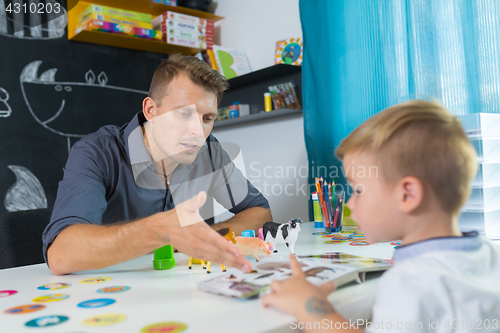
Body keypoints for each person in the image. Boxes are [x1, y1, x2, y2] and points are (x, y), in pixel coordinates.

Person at [262, 100, 500, 332]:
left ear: (408, 194)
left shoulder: (409, 283)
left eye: (358, 190)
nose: (350, 203)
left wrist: (309, 306)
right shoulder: (488, 252)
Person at [43, 53, 273, 276]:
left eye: (207, 118)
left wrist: (199, 237)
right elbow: (61, 255)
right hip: (111, 291)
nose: (197, 131)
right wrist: (161, 232)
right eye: (184, 114)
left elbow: (260, 212)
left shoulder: (209, 150)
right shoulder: (96, 153)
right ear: (150, 110)